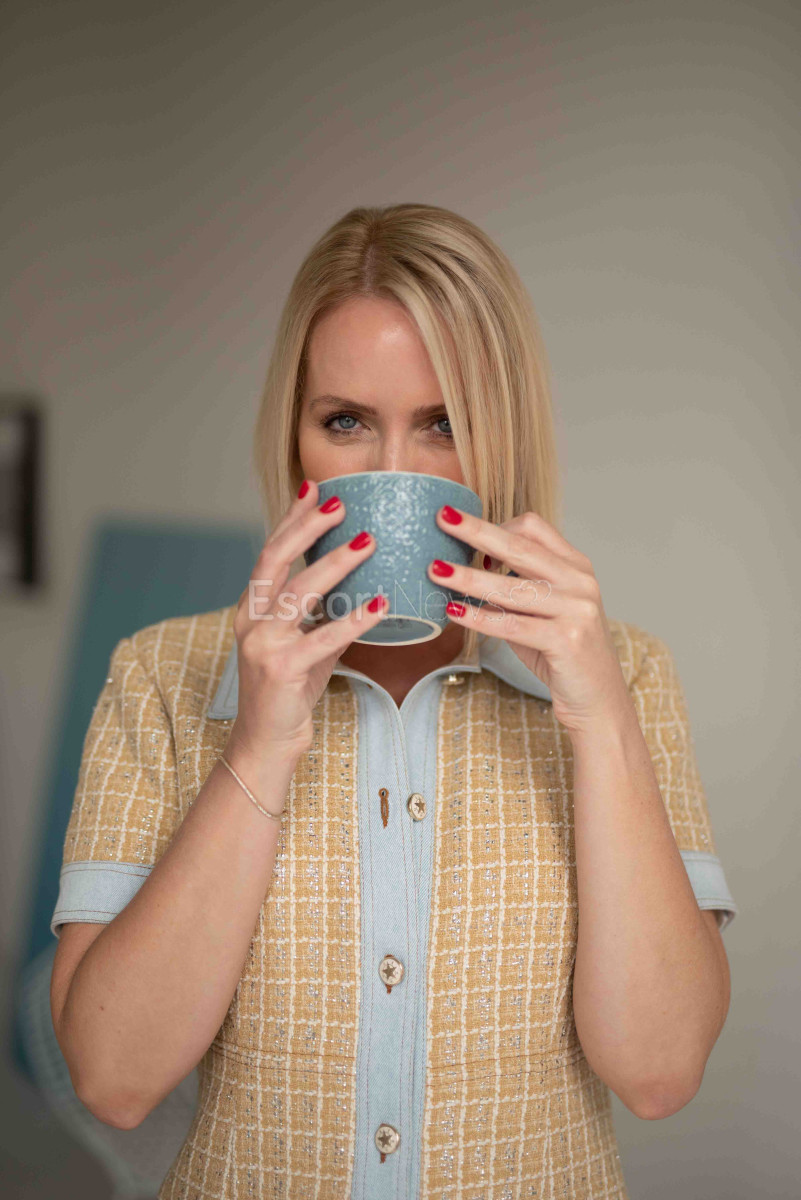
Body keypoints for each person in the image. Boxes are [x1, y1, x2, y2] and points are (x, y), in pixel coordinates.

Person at [49, 202, 738, 1200]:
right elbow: (113, 1081)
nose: (392, 475)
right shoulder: (160, 674)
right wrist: (259, 746)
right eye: (345, 422)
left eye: (444, 424)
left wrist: (599, 723)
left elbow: (659, 1072)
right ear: (293, 442)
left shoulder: (624, 675)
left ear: (502, 438)